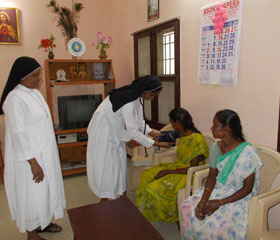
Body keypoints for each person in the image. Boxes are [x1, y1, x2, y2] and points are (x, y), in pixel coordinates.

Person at [0, 57, 66, 240]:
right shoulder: (14, 99)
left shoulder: (34, 93)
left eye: (39, 75)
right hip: (29, 159)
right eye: (35, 75)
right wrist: (33, 163)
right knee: (32, 194)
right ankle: (32, 233)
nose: (39, 79)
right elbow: (18, 134)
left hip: (44, 152)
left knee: (46, 190)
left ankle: (43, 222)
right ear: (22, 77)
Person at [87, 75, 172, 202]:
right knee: (107, 166)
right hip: (103, 132)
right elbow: (133, 132)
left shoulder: (137, 96)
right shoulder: (129, 101)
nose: (152, 98)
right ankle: (104, 198)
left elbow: (138, 121)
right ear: (145, 90)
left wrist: (152, 132)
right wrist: (157, 144)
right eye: (151, 95)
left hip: (114, 128)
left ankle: (122, 195)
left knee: (120, 161)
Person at [180, 109, 263, 240]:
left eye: (215, 125)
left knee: (216, 223)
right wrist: (204, 200)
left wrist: (219, 202)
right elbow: (212, 177)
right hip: (219, 189)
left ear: (227, 130)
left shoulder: (247, 153)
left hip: (238, 196)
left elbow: (247, 188)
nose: (211, 128)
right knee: (187, 206)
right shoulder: (216, 147)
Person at [136, 107, 209, 223]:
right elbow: (164, 137)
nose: (172, 125)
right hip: (178, 167)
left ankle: (157, 214)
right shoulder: (183, 134)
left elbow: (191, 169)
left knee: (155, 186)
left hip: (188, 175)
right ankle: (143, 208)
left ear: (178, 123)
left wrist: (167, 172)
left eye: (172, 122)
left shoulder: (197, 141)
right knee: (147, 174)